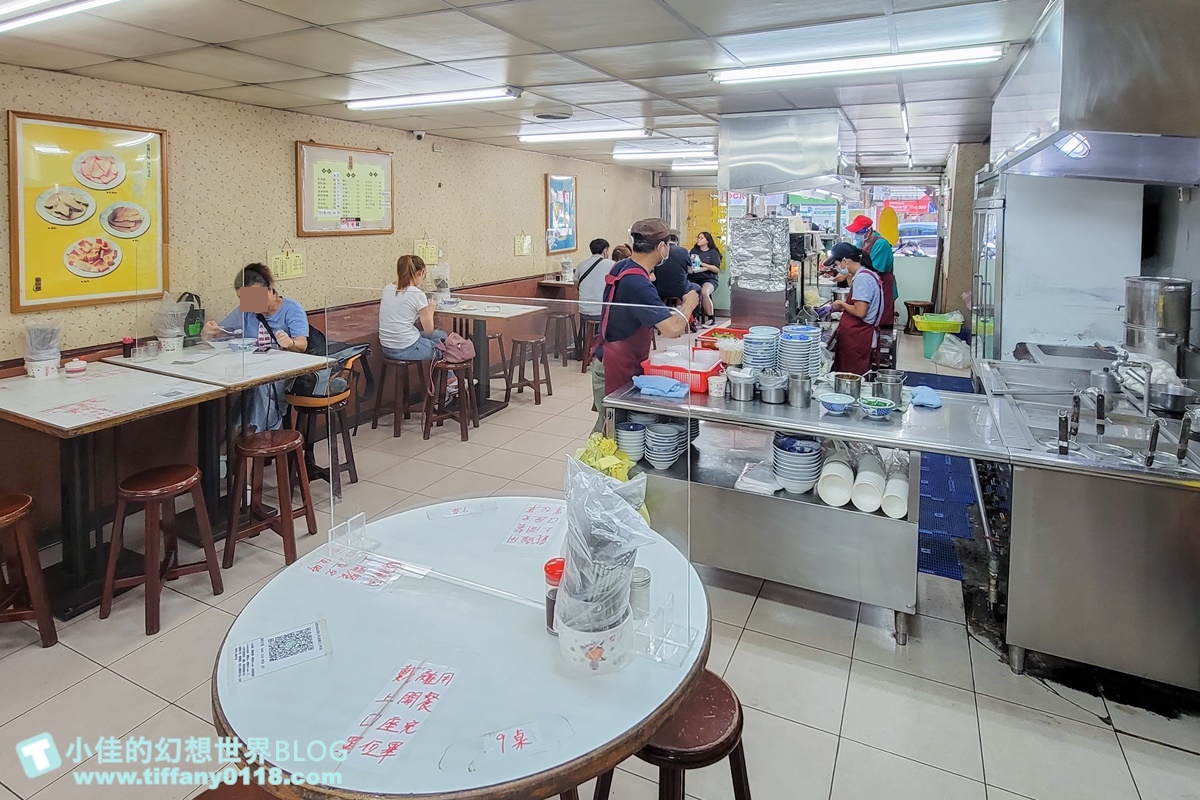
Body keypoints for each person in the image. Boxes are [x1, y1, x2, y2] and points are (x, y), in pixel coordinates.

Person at [590, 219, 699, 432]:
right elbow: (672, 329)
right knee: (611, 429)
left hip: (606, 357)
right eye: (667, 244)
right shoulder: (638, 284)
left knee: (608, 424)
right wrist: (689, 305)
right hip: (615, 366)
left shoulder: (623, 266)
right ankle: (588, 465)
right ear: (661, 247)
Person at [202, 263, 309, 432]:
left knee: (260, 388)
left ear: (270, 289)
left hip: (284, 373)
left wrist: (290, 343)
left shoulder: (291, 309)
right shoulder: (246, 310)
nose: (250, 303)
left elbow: (302, 345)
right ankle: (239, 440)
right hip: (253, 371)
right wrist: (209, 333)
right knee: (248, 390)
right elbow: (222, 333)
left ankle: (253, 437)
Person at [824, 242, 882, 375]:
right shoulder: (867, 274)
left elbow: (860, 312)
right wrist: (848, 275)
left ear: (845, 261)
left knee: (851, 377)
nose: (837, 268)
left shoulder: (862, 279)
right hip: (857, 335)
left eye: (837, 264)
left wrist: (842, 304)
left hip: (857, 337)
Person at [378, 254, 447, 362]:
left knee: (440, 335)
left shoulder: (387, 289)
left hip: (386, 347)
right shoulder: (416, 294)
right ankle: (451, 378)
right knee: (443, 349)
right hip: (406, 348)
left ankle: (449, 379)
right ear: (421, 272)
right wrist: (431, 310)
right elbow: (429, 330)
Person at [845, 214, 896, 330]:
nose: (858, 235)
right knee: (868, 315)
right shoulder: (861, 243)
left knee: (881, 317)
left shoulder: (881, 244)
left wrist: (847, 274)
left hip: (883, 284)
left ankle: (879, 341)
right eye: (856, 232)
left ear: (870, 230)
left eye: (860, 232)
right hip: (870, 282)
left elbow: (874, 268)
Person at [653, 230, 700, 310]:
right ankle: (693, 316)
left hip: (659, 289)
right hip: (680, 289)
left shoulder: (658, 252)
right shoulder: (683, 251)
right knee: (698, 288)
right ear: (677, 241)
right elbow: (690, 271)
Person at [576, 238, 614, 324]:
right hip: (602, 310)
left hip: (583, 310)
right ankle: (603, 336)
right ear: (605, 250)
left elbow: (576, 285)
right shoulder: (612, 265)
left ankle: (586, 336)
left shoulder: (581, 265)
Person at [689, 231, 722, 326]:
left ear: (707, 240)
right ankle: (693, 318)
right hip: (694, 277)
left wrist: (703, 264)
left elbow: (716, 269)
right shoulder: (694, 251)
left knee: (704, 292)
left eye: (701, 238)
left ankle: (711, 319)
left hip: (709, 279)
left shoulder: (713, 253)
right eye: (698, 237)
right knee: (691, 293)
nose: (698, 240)